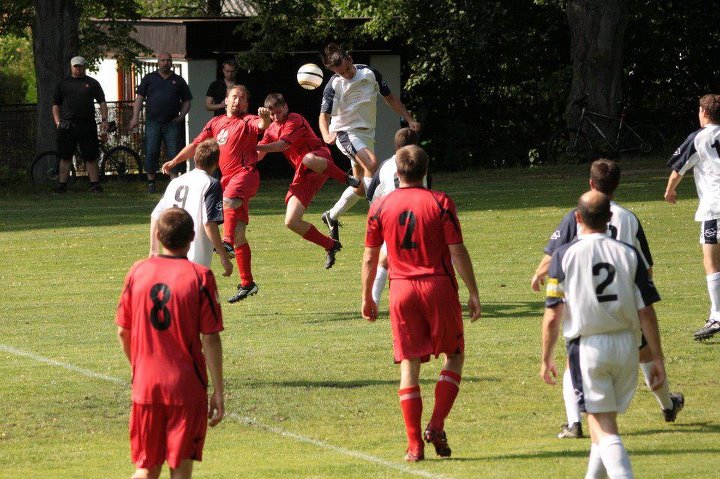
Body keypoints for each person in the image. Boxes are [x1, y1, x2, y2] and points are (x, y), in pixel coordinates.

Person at [531, 158, 683, 439]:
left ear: (591, 183)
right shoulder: (629, 218)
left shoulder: (578, 213)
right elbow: (646, 266)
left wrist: (538, 275)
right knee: (646, 355)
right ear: (617, 186)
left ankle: (574, 422)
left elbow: (555, 254)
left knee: (572, 361)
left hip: (586, 302)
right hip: (624, 305)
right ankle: (668, 405)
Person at [362, 145, 481, 462]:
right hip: (438, 287)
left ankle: (414, 446)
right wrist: (473, 292)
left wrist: (367, 297)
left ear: (396, 172)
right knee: (454, 356)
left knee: (409, 366)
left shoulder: (381, 206)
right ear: (426, 171)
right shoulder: (441, 202)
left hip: (401, 290)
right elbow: (457, 250)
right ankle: (437, 424)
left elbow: (373, 256)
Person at [541, 190, 667, 479]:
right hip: (627, 346)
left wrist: (546, 357)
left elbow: (552, 315)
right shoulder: (629, 253)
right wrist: (657, 358)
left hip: (589, 348)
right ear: (610, 218)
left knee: (605, 430)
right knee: (603, 425)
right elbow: (646, 310)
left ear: (576, 218)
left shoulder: (563, 255)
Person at [116, 207, 225, 479]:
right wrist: (219, 391)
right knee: (180, 469)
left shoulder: (137, 271)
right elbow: (210, 336)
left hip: (146, 386)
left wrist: (137, 368)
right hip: (185, 388)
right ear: (192, 237)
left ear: (158, 235)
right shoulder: (200, 277)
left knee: (146, 468)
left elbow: (122, 331)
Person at [162, 85, 270, 303]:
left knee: (228, 200)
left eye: (242, 98)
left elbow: (261, 125)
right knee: (240, 233)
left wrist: (265, 120)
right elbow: (196, 145)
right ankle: (248, 283)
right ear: (226, 100)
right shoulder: (216, 123)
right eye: (234, 97)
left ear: (247, 104)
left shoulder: (247, 121)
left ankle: (226, 242)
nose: (237, 101)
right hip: (228, 179)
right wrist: (175, 161)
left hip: (245, 175)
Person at [319, 42, 421, 244]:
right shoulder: (334, 85)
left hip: (367, 135)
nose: (346, 75)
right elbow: (324, 115)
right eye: (340, 73)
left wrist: (409, 119)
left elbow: (390, 98)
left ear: (350, 58)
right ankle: (382, 220)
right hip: (345, 133)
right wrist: (325, 134)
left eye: (347, 69)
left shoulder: (369, 73)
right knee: (372, 164)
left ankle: (331, 215)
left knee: (359, 188)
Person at [257, 93, 359, 269]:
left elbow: (282, 145)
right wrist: (243, 149)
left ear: (286, 107)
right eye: (272, 114)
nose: (275, 117)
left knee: (307, 159)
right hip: (303, 174)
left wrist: (254, 146)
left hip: (320, 159)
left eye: (278, 112)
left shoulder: (294, 119)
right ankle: (330, 245)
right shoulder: (271, 128)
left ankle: (347, 178)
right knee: (291, 221)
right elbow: (259, 154)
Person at [665, 93, 720, 341]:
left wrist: (669, 190)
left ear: (704, 113)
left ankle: (717, 316)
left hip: (715, 208)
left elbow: (678, 168)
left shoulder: (700, 137)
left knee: (712, 262)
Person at [150, 139, 233, 278]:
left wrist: (153, 250)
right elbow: (209, 223)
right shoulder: (211, 184)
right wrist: (224, 257)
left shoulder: (176, 182)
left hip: (170, 255)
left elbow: (156, 215)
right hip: (195, 256)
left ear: (195, 157)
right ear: (217, 162)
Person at [364, 127, 424, 308]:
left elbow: (371, 193)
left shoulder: (384, 166)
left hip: (389, 216)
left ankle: (374, 300)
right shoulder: (422, 165)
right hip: (417, 214)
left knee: (385, 257)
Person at [129, 52, 193, 193]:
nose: (165, 63)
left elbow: (187, 101)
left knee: (174, 153)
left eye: (168, 60)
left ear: (171, 62)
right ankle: (151, 183)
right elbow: (139, 98)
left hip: (172, 122)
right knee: (151, 151)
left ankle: (174, 184)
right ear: (158, 62)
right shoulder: (149, 78)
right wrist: (135, 117)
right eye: (163, 60)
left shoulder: (178, 80)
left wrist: (181, 116)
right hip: (153, 122)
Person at [51, 55, 108, 194]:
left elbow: (102, 102)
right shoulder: (63, 84)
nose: (78, 69)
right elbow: (55, 105)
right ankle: (62, 185)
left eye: (80, 66)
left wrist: (104, 120)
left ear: (85, 67)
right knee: (65, 156)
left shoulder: (93, 83)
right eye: (75, 66)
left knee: (91, 155)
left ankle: (95, 185)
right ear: (71, 67)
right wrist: (58, 122)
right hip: (67, 125)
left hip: (87, 124)